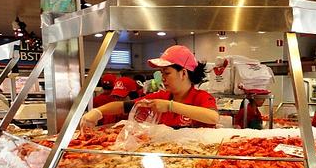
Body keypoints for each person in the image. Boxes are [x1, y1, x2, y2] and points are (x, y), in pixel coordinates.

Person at [81, 45, 218, 129]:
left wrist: (171, 106)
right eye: (161, 73)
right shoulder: (160, 96)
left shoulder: (202, 97)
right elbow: (124, 106)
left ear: (183, 73)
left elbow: (213, 117)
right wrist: (97, 112)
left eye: (167, 73)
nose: (163, 77)